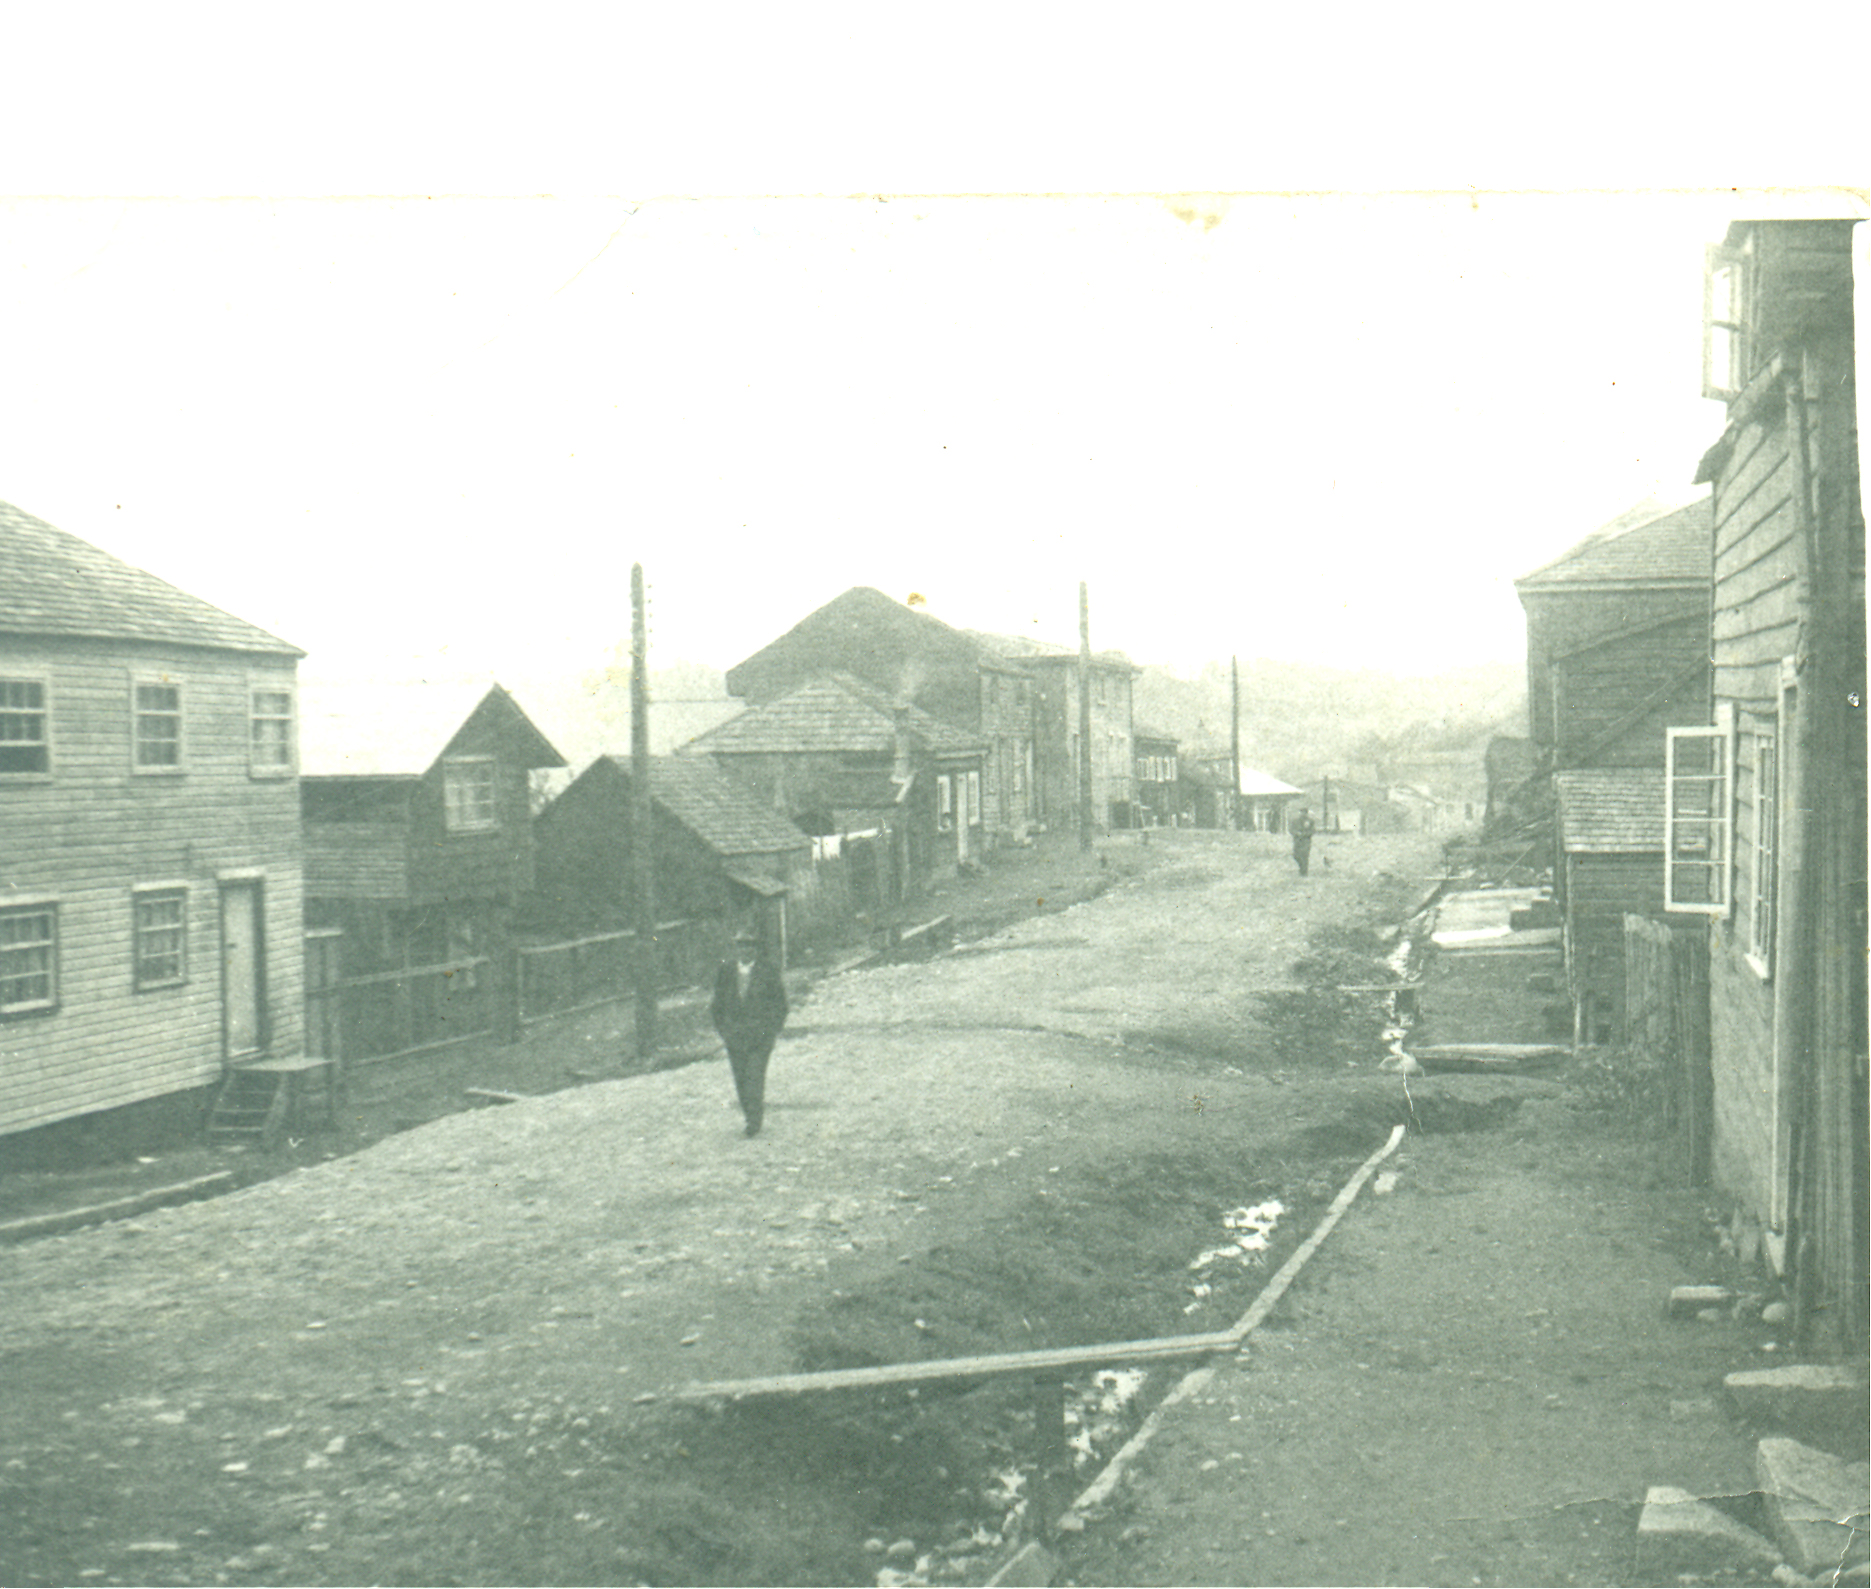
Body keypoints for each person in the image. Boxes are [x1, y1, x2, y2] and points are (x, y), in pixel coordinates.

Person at [710, 926, 788, 1137]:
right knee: (741, 1079)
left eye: (749, 946)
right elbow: (717, 1006)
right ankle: (749, 1114)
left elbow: (780, 1005)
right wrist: (724, 1032)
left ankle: (754, 1122)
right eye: (741, 946)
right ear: (736, 949)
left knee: (755, 1078)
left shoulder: (768, 971)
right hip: (735, 1038)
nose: (745, 951)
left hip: (760, 1038)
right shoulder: (726, 971)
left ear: (756, 949)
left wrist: (771, 1031)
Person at [1289, 807, 1317, 876]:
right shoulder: (1295, 821)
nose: (1302, 814)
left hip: (1306, 841)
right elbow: (1291, 830)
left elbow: (1312, 831)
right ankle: (1301, 868)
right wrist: (1296, 833)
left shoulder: (1310, 821)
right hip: (1297, 841)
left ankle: (1304, 873)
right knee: (1296, 856)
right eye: (1301, 812)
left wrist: (1304, 834)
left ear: (1306, 813)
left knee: (1305, 857)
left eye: (1304, 813)